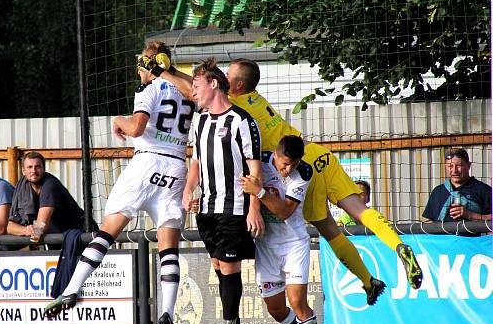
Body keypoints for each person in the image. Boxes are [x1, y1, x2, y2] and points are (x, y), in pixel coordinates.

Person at [159, 58, 419, 302]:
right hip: (317, 154)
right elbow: (203, 84)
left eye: (228, 76)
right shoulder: (255, 98)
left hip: (293, 167)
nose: (224, 78)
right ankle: (393, 252)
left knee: (328, 229)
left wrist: (163, 72)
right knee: (357, 212)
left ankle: (367, 280)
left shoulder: (237, 108)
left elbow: (197, 90)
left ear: (236, 85)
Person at [43, 40, 195, 324]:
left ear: (148, 64)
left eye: (140, 64)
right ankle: (167, 312)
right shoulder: (186, 91)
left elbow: (138, 127)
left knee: (108, 231)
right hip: (176, 166)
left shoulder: (149, 90)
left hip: (147, 162)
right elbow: (195, 91)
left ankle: (72, 289)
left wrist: (119, 121)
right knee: (169, 244)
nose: (137, 70)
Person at [180, 58, 263, 324]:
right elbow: (198, 163)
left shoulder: (242, 121)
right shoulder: (200, 122)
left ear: (213, 84)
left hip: (234, 207)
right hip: (208, 207)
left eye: (197, 86)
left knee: (229, 266)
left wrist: (254, 206)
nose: (193, 93)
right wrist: (190, 190)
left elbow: (255, 169)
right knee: (218, 264)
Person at [241, 135, 324, 324]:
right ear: (275, 155)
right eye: (285, 164)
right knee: (276, 309)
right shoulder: (260, 162)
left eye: (293, 164)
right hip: (266, 245)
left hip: (293, 243)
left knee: (297, 301)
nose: (288, 169)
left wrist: (261, 192)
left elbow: (286, 211)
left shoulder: (304, 172)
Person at [7, 152, 85, 243]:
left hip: (77, 236)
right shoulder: (21, 186)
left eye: (37, 167)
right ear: (23, 171)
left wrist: (30, 245)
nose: (34, 171)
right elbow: (10, 227)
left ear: (44, 169)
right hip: (52, 238)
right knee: (4, 247)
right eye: (29, 167)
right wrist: (26, 230)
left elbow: (41, 227)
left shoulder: (50, 185)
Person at [423, 148, 492, 223]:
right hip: (442, 235)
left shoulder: (484, 190)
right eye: (450, 166)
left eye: (459, 165)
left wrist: (469, 215)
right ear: (445, 167)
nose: (454, 171)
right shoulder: (437, 192)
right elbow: (431, 221)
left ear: (469, 165)